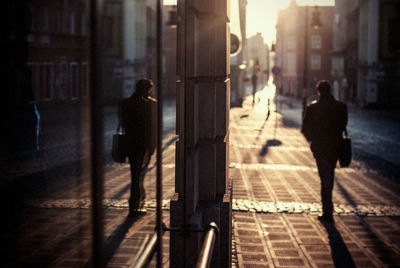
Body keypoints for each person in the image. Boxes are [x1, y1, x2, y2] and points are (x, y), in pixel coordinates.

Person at [301, 80, 347, 223]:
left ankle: (328, 211)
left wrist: (314, 139)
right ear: (331, 90)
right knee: (329, 176)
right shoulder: (340, 107)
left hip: (320, 148)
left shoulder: (313, 108)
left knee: (325, 179)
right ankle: (328, 209)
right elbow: (343, 124)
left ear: (318, 91)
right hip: (335, 147)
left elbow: (305, 130)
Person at [119, 79, 157, 216]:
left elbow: (122, 123)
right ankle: (136, 203)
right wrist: (153, 146)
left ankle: (136, 202)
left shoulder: (124, 103)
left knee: (135, 173)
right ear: (148, 89)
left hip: (130, 144)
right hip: (144, 145)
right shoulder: (151, 105)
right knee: (138, 175)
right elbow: (154, 128)